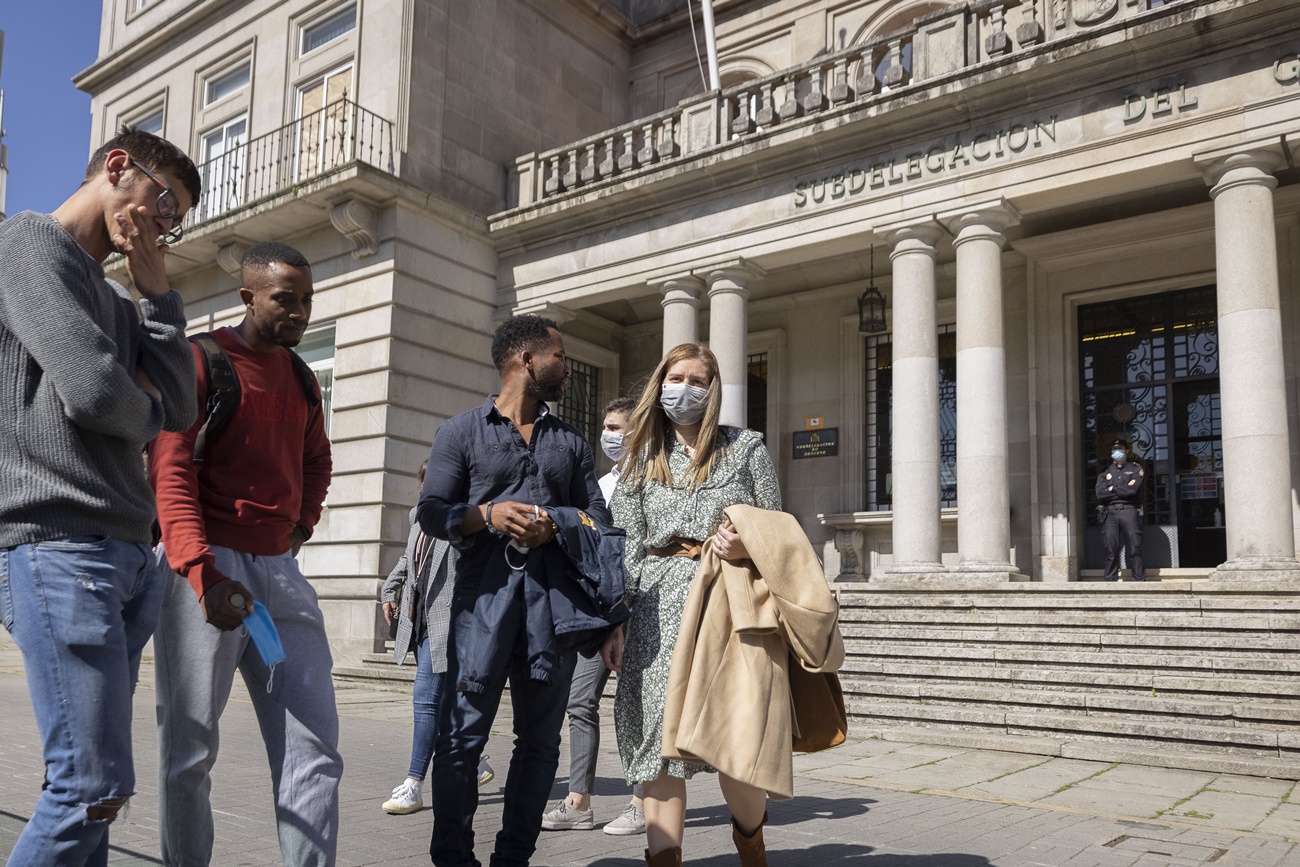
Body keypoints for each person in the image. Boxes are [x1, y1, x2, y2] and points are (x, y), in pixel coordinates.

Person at [0, 125, 199, 866]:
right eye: (164, 202)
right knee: (90, 784)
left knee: (95, 794)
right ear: (119, 168)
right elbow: (90, 391)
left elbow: (180, 407)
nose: (164, 226)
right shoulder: (28, 241)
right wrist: (137, 401)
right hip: (59, 542)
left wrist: (159, 300)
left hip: (124, 554)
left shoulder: (122, 299)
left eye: (176, 221)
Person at [149, 242, 342, 866]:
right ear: (248, 297)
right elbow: (170, 471)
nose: (300, 312)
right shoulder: (202, 359)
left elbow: (318, 461)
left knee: (314, 749)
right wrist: (201, 573)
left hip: (280, 584)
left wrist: (300, 528)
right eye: (286, 299)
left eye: (307, 300)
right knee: (190, 753)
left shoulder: (304, 379)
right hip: (205, 576)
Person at [418, 313, 612, 867]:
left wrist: (556, 523)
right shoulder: (460, 431)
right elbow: (431, 511)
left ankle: (513, 859)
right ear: (527, 359)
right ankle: (453, 859)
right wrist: (487, 514)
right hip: (480, 607)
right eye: (560, 355)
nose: (567, 367)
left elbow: (599, 518)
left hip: (550, 614)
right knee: (460, 740)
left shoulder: (570, 443)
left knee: (540, 744)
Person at [601, 343, 782, 867]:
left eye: (697, 379)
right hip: (654, 611)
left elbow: (776, 527)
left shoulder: (744, 448)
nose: (685, 388)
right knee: (658, 746)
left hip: (727, 607)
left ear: (714, 388)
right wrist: (616, 621)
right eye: (676, 377)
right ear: (660, 385)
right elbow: (624, 543)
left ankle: (751, 844)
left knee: (733, 741)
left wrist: (747, 543)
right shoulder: (639, 460)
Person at [542, 396, 646, 836]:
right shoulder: (599, 484)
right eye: (606, 426)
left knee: (639, 704)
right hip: (601, 609)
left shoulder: (654, 479)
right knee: (580, 701)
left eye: (618, 427)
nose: (609, 435)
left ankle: (642, 802)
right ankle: (579, 802)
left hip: (643, 606)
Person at [379, 460, 495, 815]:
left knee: (425, 698)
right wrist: (390, 588)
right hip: (419, 621)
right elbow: (408, 559)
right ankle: (475, 764)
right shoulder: (419, 518)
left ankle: (414, 784)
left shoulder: (463, 521)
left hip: (449, 621)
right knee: (441, 703)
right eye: (426, 482)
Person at [1096, 437, 1146, 582]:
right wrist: (1123, 489)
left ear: (1127, 451)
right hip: (1109, 512)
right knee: (1110, 548)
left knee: (1135, 547)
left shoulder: (1135, 469)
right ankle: (1110, 580)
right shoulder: (1104, 472)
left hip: (1129, 510)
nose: (1116, 452)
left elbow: (1133, 490)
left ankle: (1139, 579)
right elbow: (1100, 493)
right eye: (1114, 449)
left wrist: (1111, 489)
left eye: (1120, 449)